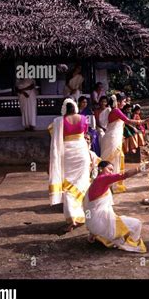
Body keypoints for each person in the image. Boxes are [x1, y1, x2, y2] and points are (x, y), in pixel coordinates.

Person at [85, 160, 147, 253]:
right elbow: (125, 175)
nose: (110, 172)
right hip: (99, 225)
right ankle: (132, 244)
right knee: (137, 224)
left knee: (119, 222)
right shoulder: (103, 179)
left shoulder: (94, 182)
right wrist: (144, 166)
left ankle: (101, 235)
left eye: (112, 170)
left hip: (92, 225)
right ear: (101, 169)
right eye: (109, 169)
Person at [48, 98, 90, 231]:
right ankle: (81, 215)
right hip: (81, 152)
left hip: (67, 154)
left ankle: (72, 218)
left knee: (67, 186)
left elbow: (50, 131)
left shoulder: (58, 121)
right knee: (82, 184)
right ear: (75, 108)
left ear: (64, 109)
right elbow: (85, 132)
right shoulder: (83, 118)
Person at [100, 93, 149, 193]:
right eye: (124, 101)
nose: (125, 103)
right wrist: (145, 121)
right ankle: (108, 184)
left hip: (113, 138)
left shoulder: (115, 110)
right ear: (118, 102)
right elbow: (128, 121)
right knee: (111, 160)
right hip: (112, 139)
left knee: (115, 159)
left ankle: (111, 184)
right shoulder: (116, 111)